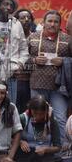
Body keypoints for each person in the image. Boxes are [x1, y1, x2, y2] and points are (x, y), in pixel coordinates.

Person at [28, 10, 72, 143]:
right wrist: (34, 60)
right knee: (37, 116)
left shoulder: (68, 40)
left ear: (60, 24)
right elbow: (22, 58)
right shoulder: (32, 37)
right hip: (37, 84)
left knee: (59, 117)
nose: (53, 24)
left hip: (59, 87)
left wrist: (64, 61)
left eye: (56, 22)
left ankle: (61, 148)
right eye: (50, 21)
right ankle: (38, 146)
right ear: (43, 22)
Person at [15, 96, 61, 162]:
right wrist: (20, 142)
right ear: (31, 110)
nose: (38, 117)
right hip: (26, 154)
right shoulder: (23, 118)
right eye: (35, 113)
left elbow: (58, 147)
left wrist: (45, 149)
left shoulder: (52, 121)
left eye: (41, 114)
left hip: (45, 156)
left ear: (46, 111)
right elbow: (10, 138)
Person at [14, 8, 36, 113]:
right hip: (15, 78)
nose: (26, 20)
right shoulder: (11, 37)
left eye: (29, 18)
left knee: (27, 110)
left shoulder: (36, 38)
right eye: (22, 18)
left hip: (32, 81)